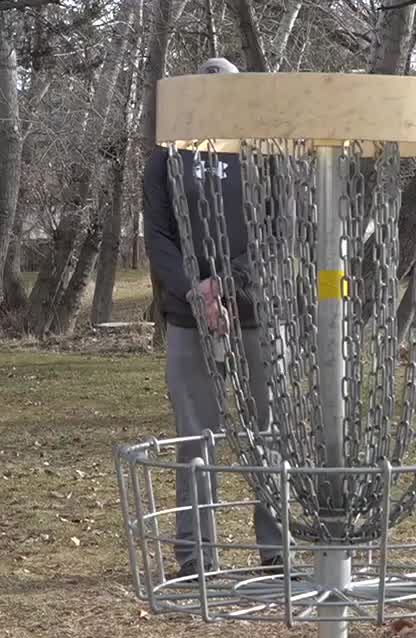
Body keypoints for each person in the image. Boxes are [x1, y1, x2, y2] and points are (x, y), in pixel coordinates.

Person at [143, 57, 284, 577]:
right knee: (195, 437)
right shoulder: (166, 159)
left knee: (269, 434)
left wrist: (226, 285)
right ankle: (196, 556)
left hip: (256, 316)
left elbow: (276, 233)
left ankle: (275, 548)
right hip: (187, 318)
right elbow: (158, 237)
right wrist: (195, 291)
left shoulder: (264, 156)